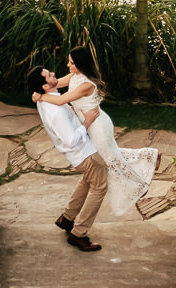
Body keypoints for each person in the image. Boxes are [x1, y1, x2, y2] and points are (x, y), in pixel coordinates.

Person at [31, 46, 160, 216]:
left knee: (110, 158)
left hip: (97, 125)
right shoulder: (75, 76)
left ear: (81, 65)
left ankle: (138, 186)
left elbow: (61, 99)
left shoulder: (85, 84)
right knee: (110, 155)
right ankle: (149, 156)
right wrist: (38, 91)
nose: (67, 65)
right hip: (91, 122)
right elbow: (57, 84)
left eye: (71, 62)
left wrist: (40, 96)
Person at [27, 66, 107, 252]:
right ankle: (78, 234)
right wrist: (87, 122)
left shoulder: (49, 99)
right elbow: (70, 140)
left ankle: (67, 218)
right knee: (100, 187)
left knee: (89, 181)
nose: (55, 74)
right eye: (50, 75)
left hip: (82, 153)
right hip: (84, 154)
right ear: (45, 86)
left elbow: (70, 76)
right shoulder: (54, 109)